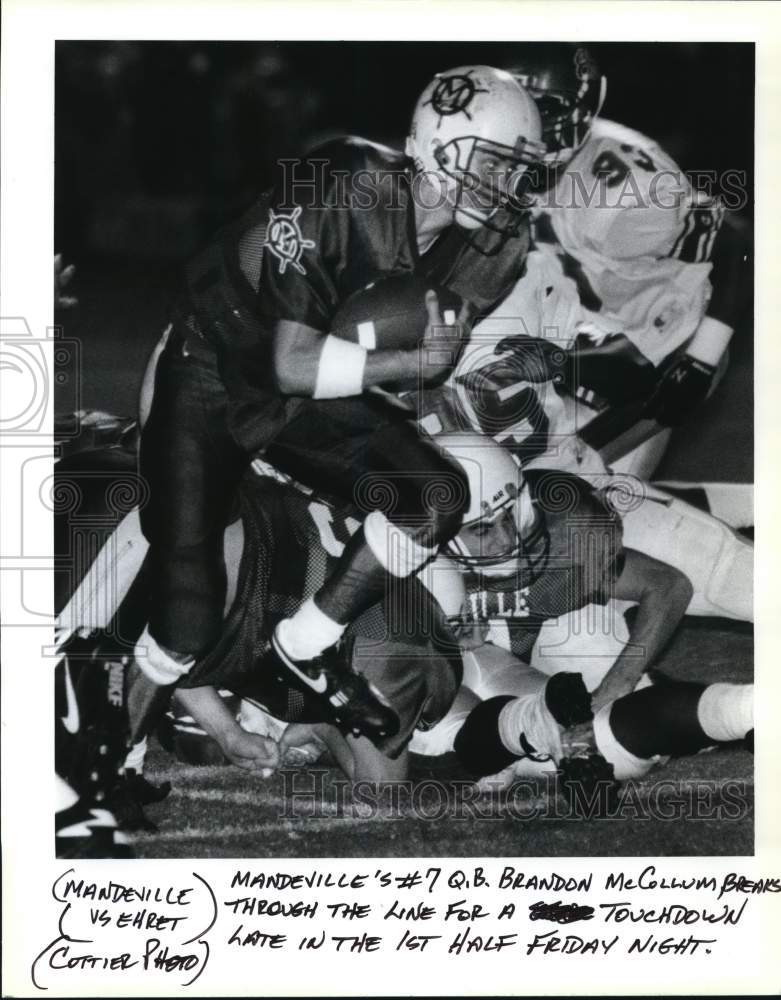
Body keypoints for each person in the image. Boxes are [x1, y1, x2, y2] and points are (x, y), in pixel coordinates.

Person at [133, 65, 547, 744]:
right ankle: (103, 761)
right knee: (185, 622)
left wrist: (408, 380)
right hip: (213, 370)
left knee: (434, 495)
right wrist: (411, 364)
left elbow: (379, 358)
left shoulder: (493, 246)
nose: (505, 186)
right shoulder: (348, 184)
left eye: (517, 170)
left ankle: (303, 648)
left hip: (313, 387)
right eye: (493, 163)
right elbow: (288, 365)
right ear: (436, 143)